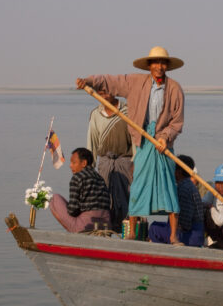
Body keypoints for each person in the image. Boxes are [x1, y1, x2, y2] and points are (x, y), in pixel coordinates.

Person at [77, 46, 185, 244]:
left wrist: (165, 137)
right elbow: (111, 81)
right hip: (143, 141)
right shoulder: (135, 83)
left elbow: (177, 121)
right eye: (155, 63)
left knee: (169, 188)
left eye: (162, 63)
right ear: (149, 66)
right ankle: (132, 233)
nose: (159, 67)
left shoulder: (175, 88)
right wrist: (89, 81)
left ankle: (173, 236)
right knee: (137, 186)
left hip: (162, 144)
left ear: (167, 66)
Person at [86, 89, 133, 231]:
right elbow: (92, 141)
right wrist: (89, 167)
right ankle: (104, 232)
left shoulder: (128, 111)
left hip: (125, 162)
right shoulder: (96, 114)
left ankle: (126, 232)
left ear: (114, 92)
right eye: (100, 93)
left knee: (127, 197)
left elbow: (137, 140)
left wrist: (137, 162)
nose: (104, 96)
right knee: (103, 198)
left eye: (107, 92)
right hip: (105, 162)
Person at [50, 148, 111, 232]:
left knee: (54, 199)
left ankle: (75, 232)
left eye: (74, 162)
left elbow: (72, 211)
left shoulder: (77, 177)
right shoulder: (100, 178)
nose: (70, 166)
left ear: (84, 163)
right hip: (106, 225)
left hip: (86, 225)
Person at [149, 155, 204, 246]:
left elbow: (185, 224)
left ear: (178, 172)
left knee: (154, 228)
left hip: (190, 236)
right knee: (159, 226)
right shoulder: (189, 185)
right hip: (196, 235)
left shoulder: (183, 188)